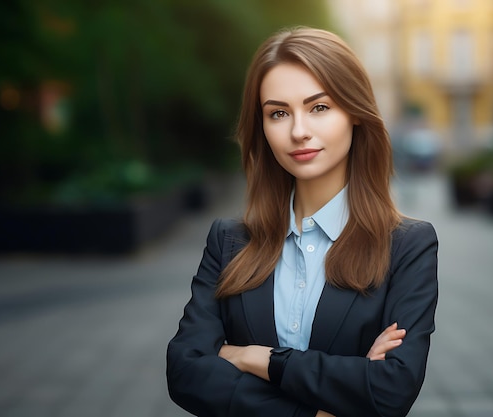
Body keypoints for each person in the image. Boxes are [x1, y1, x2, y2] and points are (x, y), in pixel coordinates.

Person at [166, 26, 438, 417]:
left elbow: (391, 390)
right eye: (278, 113)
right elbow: (186, 372)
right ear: (262, 128)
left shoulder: (408, 246)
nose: (298, 131)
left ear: (355, 114)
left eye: (319, 107)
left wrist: (256, 358)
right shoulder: (228, 241)